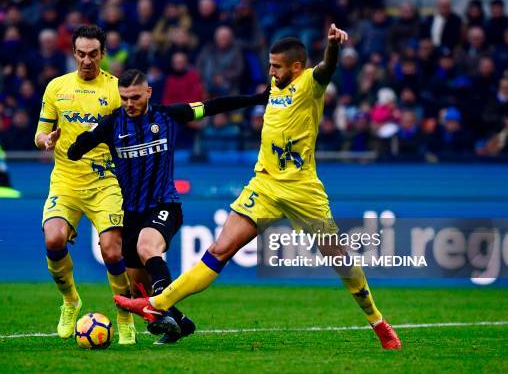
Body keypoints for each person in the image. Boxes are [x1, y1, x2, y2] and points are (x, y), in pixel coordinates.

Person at [115, 25, 403, 350]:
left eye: (276, 66)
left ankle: (378, 322)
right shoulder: (275, 88)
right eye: (270, 65)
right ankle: (159, 304)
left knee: (339, 259)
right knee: (218, 250)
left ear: (296, 67)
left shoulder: (309, 84)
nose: (271, 71)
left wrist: (332, 46)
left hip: (302, 189)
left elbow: (326, 68)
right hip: (263, 184)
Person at [68, 69, 268, 343]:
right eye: (124, 98)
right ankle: (181, 323)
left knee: (146, 247)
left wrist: (256, 99)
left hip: (165, 204)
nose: (129, 104)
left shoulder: (169, 116)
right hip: (132, 213)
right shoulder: (111, 124)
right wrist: (77, 142)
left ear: (148, 92)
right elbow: (75, 150)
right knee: (138, 289)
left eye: (135, 97)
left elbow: (212, 106)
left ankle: (162, 308)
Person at [34, 25, 135, 344]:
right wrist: (44, 140)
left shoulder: (117, 91)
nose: (87, 60)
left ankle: (124, 315)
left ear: (103, 54)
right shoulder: (56, 88)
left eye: (93, 54)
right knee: (53, 240)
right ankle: (70, 301)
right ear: (73, 53)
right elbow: (41, 132)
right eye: (81, 54)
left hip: (106, 181)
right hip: (65, 179)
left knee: (111, 251)